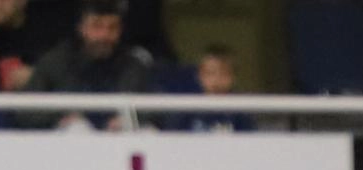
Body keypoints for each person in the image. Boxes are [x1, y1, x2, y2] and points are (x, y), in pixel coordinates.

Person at [20, 0, 154, 125]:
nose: (104, 36)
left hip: (120, 139)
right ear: (81, 28)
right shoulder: (55, 62)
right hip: (66, 139)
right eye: (97, 26)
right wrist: (59, 119)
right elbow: (26, 112)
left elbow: (157, 109)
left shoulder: (133, 66)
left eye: (112, 28)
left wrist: (130, 120)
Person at [183, 43, 256, 130]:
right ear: (200, 76)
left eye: (224, 73)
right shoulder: (188, 108)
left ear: (234, 77)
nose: (217, 80)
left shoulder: (240, 112)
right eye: (210, 73)